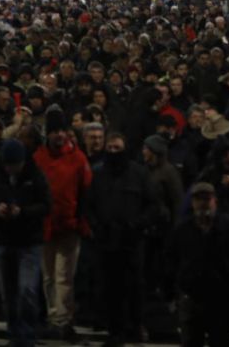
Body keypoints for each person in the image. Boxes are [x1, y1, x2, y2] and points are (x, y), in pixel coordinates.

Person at [87, 131, 159, 347]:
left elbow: (153, 205)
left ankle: (136, 325)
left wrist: (137, 225)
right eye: (110, 148)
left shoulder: (139, 174)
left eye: (117, 148)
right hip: (107, 241)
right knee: (110, 288)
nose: (113, 152)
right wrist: (98, 226)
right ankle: (115, 331)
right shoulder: (98, 174)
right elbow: (89, 205)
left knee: (135, 286)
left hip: (131, 241)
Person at [32, 107, 91, 342]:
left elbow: (86, 192)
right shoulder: (39, 157)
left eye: (61, 131)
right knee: (49, 276)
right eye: (54, 131)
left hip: (69, 226)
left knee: (64, 276)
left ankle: (63, 320)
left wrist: (81, 221)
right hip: (46, 226)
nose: (58, 136)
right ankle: (54, 316)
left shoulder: (77, 158)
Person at [169, 182, 229, 347]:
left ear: (215, 201)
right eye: (199, 199)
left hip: (220, 297)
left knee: (220, 339)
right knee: (191, 340)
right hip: (192, 296)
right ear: (192, 202)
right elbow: (171, 259)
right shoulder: (182, 230)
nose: (203, 203)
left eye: (207, 198)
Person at [0, 138, 51, 347]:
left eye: (14, 165)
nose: (10, 169)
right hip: (4, 240)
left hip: (28, 242)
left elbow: (45, 205)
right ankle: (14, 334)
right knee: (8, 294)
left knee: (27, 290)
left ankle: (27, 335)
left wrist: (23, 212)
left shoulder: (35, 175)